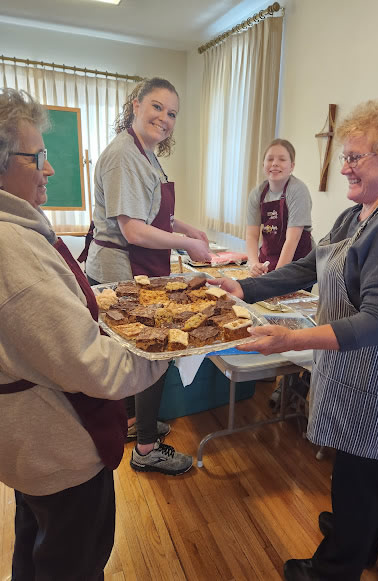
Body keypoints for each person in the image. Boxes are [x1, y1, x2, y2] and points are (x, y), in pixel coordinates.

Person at [211, 99, 378, 581]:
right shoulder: (361, 213)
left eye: (358, 156)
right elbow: (312, 265)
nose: (345, 165)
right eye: (346, 155)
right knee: (362, 470)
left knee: (357, 474)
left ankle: (335, 568)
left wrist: (290, 339)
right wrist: (244, 287)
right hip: (365, 368)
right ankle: (362, 540)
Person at [0, 88, 170, 580]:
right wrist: (169, 350)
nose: (50, 170)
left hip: (28, 447)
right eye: (40, 158)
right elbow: (92, 366)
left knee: (36, 541)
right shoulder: (14, 254)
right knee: (73, 560)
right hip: (54, 447)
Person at [80, 77, 211, 475]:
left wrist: (188, 230)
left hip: (141, 266)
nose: (164, 118)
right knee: (154, 352)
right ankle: (147, 449)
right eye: (157, 107)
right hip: (123, 268)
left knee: (144, 353)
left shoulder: (146, 154)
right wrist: (187, 247)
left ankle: (139, 423)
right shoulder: (124, 155)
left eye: (172, 113)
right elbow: (134, 230)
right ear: (135, 105)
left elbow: (156, 213)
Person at [246, 138, 312, 277]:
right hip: (268, 260)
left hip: (297, 264)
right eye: (270, 159)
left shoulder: (298, 191)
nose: (275, 163)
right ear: (263, 164)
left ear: (292, 166)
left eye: (282, 159)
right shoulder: (257, 194)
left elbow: (292, 239)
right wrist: (254, 264)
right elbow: (252, 235)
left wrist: (276, 278)